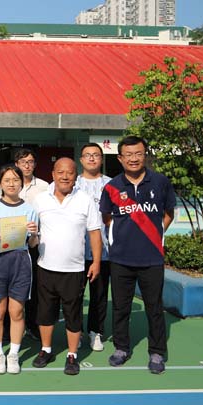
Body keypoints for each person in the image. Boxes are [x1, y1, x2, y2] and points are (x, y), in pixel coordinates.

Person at [99, 136, 175, 375]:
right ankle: (121, 348)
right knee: (120, 307)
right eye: (128, 154)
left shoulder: (160, 182)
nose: (134, 158)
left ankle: (157, 352)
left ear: (145, 155)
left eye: (138, 153)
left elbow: (168, 214)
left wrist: (153, 235)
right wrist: (122, 238)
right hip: (121, 259)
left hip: (152, 259)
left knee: (154, 308)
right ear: (120, 158)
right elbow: (107, 218)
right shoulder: (112, 186)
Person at [31, 157, 102, 376]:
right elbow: (32, 231)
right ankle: (46, 349)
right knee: (45, 313)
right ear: (52, 174)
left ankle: (72, 354)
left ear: (75, 176)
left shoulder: (85, 200)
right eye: (60, 172)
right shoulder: (40, 200)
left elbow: (94, 232)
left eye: (69, 173)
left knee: (73, 314)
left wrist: (96, 262)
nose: (64, 176)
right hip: (45, 267)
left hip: (74, 270)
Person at [0, 165, 39, 374]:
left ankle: (13, 354)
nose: (11, 184)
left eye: (15, 180)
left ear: (21, 183)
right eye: (7, 180)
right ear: (1, 184)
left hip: (20, 261)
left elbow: (32, 244)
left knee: (17, 311)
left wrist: (34, 233)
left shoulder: (30, 209)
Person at [75, 143, 112, 352]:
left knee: (99, 295)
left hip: (103, 251)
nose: (91, 158)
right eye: (87, 155)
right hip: (76, 251)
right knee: (75, 296)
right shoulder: (73, 183)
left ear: (101, 159)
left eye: (96, 155)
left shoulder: (112, 184)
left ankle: (95, 332)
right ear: (81, 159)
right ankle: (77, 331)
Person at [14, 148, 49, 341]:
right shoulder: (10, 183)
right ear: (16, 164)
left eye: (30, 162)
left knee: (35, 285)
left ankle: (33, 324)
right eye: (23, 162)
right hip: (12, 243)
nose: (27, 165)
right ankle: (11, 324)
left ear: (35, 164)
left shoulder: (44, 186)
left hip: (35, 242)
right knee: (14, 286)